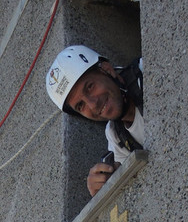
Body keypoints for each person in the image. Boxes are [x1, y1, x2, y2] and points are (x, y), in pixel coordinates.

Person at [46, 44, 144, 197]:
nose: (93, 104)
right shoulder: (115, 135)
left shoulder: (147, 72)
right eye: (80, 105)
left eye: (90, 87)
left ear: (106, 69)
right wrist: (104, 188)